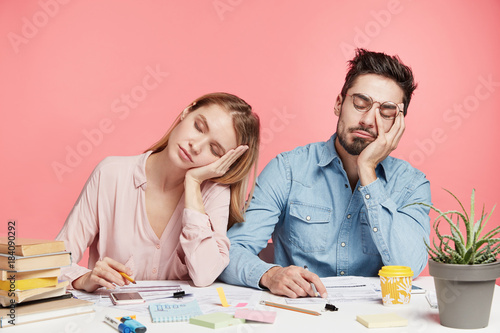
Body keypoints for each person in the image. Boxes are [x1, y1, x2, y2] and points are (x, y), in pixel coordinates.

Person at [219, 49, 431, 298]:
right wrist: (269, 275)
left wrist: (367, 171)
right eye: (361, 103)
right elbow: (229, 252)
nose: (369, 120)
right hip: (300, 315)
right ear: (339, 103)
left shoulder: (412, 184)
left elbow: (409, 268)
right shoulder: (287, 169)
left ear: (399, 123)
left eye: (386, 111)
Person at [56, 92, 260, 292]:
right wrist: (82, 279)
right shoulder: (110, 174)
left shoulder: (214, 194)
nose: (195, 146)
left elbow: (205, 274)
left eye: (215, 150)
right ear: (186, 112)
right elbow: (52, 263)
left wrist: (193, 182)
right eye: (198, 127)